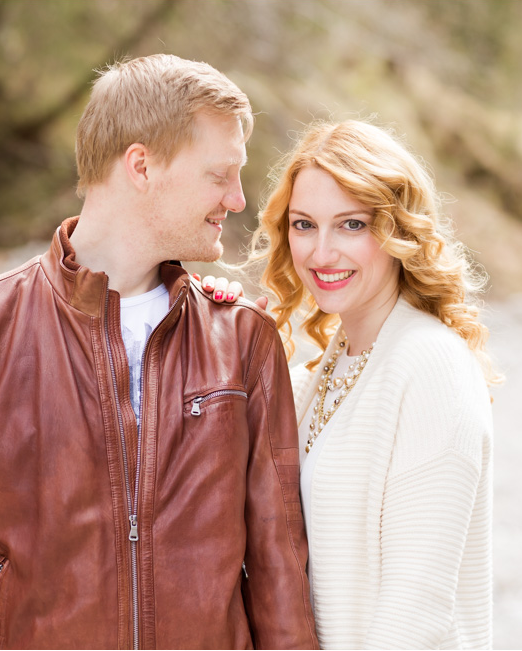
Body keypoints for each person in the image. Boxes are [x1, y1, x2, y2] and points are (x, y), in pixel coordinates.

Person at [0, 54, 318, 650]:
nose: (239, 200)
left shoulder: (243, 337)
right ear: (141, 166)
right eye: (220, 175)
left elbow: (278, 567)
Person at [207, 119, 498, 649]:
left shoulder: (430, 365)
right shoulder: (324, 373)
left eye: (351, 225)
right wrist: (213, 332)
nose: (320, 254)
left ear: (397, 232)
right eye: (303, 225)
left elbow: (419, 613)